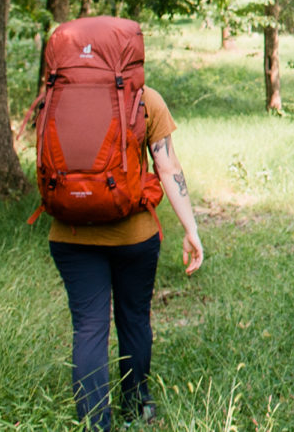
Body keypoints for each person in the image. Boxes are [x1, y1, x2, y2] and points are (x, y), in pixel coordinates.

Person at [47, 85, 204, 431]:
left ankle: (94, 423)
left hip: (71, 234)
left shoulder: (58, 96)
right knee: (134, 319)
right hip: (135, 235)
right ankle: (136, 406)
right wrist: (190, 229)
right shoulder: (146, 99)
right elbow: (167, 166)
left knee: (89, 328)